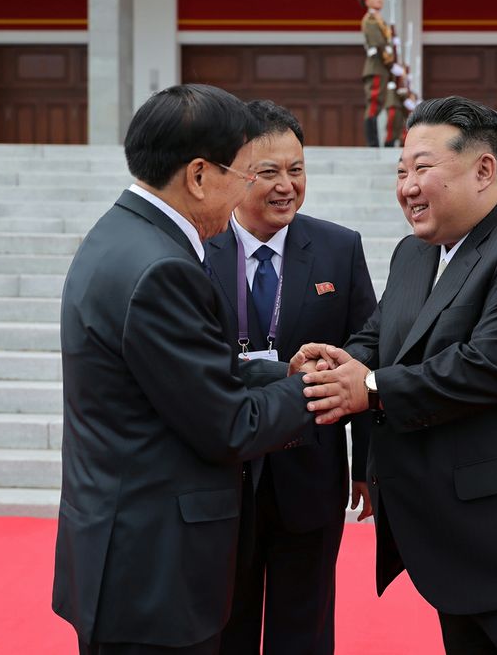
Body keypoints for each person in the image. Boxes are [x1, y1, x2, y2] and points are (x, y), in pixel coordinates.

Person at [295, 96, 497, 654]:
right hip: (459, 539)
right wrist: (332, 363)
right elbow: (381, 337)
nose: (407, 187)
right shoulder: (413, 253)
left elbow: (490, 366)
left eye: (422, 168)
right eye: (401, 172)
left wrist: (368, 388)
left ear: (484, 169)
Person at [52, 84, 321, 655]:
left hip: (124, 550)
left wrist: (279, 373)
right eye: (244, 175)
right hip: (155, 572)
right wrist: (315, 389)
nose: (246, 191)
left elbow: (185, 372)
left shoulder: (120, 234)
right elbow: (230, 424)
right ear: (199, 175)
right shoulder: (162, 269)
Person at [205, 100, 377, 655]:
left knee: (305, 629)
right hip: (221, 476)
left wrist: (366, 465)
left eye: (296, 169)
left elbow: (369, 351)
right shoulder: (196, 249)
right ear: (235, 173)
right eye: (268, 172)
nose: (287, 186)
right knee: (223, 627)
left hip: (311, 472)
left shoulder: (338, 248)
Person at [359, 0, 404, 147]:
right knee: (374, 104)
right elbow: (378, 45)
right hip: (376, 67)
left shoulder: (380, 20)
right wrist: (392, 65)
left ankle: (376, 143)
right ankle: (373, 143)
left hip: (382, 68)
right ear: (367, 0)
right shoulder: (371, 20)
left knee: (378, 104)